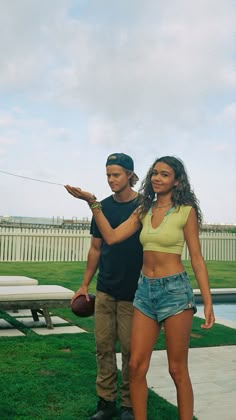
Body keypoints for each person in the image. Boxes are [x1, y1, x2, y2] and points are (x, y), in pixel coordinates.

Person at [65, 155, 215, 420]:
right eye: (155, 173)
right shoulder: (143, 209)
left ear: (177, 181)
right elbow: (111, 237)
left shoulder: (186, 210)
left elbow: (197, 258)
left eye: (165, 174)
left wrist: (208, 301)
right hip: (144, 291)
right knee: (135, 366)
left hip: (174, 292)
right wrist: (93, 203)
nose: (157, 178)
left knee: (177, 369)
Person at [69, 153, 143, 420]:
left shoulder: (143, 207)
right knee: (103, 347)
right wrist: (84, 284)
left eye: (116, 175)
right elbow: (95, 249)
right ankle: (106, 403)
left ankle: (129, 405)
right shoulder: (103, 207)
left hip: (134, 293)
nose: (111, 180)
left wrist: (91, 202)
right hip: (105, 290)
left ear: (130, 176)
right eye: (108, 175)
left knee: (131, 351)